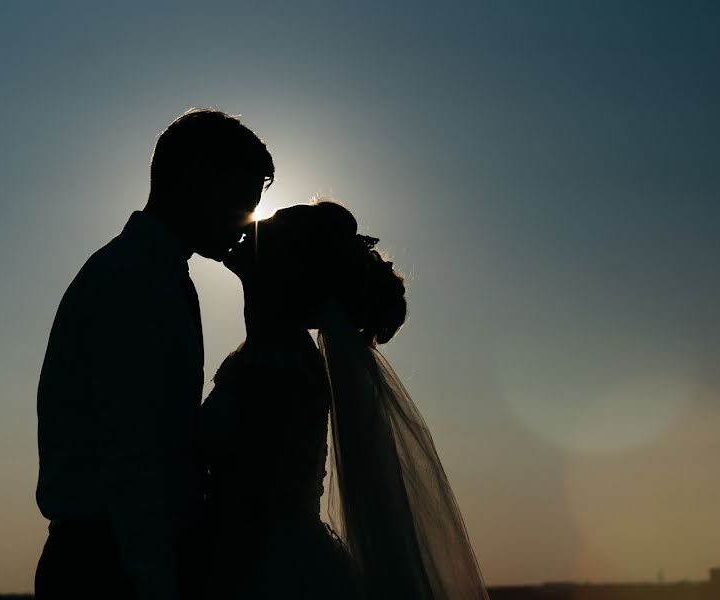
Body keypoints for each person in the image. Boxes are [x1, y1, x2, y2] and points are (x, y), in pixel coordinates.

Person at [34, 108, 274, 600]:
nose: (247, 223)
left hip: (129, 550)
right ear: (196, 181)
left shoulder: (154, 274)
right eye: (240, 202)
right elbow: (130, 449)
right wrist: (154, 581)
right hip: (112, 562)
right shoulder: (132, 281)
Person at [198, 201, 489, 599]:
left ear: (289, 267)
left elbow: (250, 506)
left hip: (261, 574)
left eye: (271, 224)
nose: (253, 224)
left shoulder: (276, 369)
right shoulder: (270, 354)